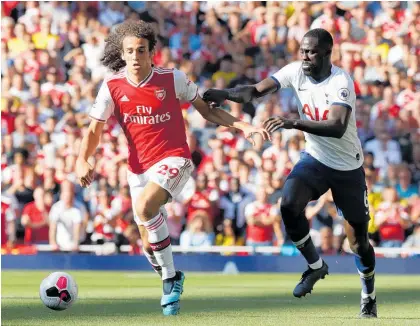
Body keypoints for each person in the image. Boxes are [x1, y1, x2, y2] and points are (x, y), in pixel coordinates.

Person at [75, 20, 269, 316]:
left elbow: (206, 109)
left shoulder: (172, 78)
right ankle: (171, 274)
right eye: (130, 51)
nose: (136, 56)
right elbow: (93, 130)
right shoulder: (112, 86)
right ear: (123, 54)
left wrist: (243, 125)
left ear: (152, 52)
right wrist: (82, 158)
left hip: (174, 158)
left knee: (144, 207)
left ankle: (168, 278)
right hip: (137, 168)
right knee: (146, 244)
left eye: (141, 50)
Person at [203, 28, 377, 318]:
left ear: (327, 53)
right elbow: (255, 91)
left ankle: (368, 293)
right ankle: (314, 266)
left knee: (358, 242)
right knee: (288, 204)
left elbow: (336, 127)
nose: (305, 56)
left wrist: (292, 123)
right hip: (316, 159)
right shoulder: (295, 71)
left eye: (312, 52)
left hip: (348, 167)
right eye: (302, 51)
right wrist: (225, 94)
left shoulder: (340, 81)